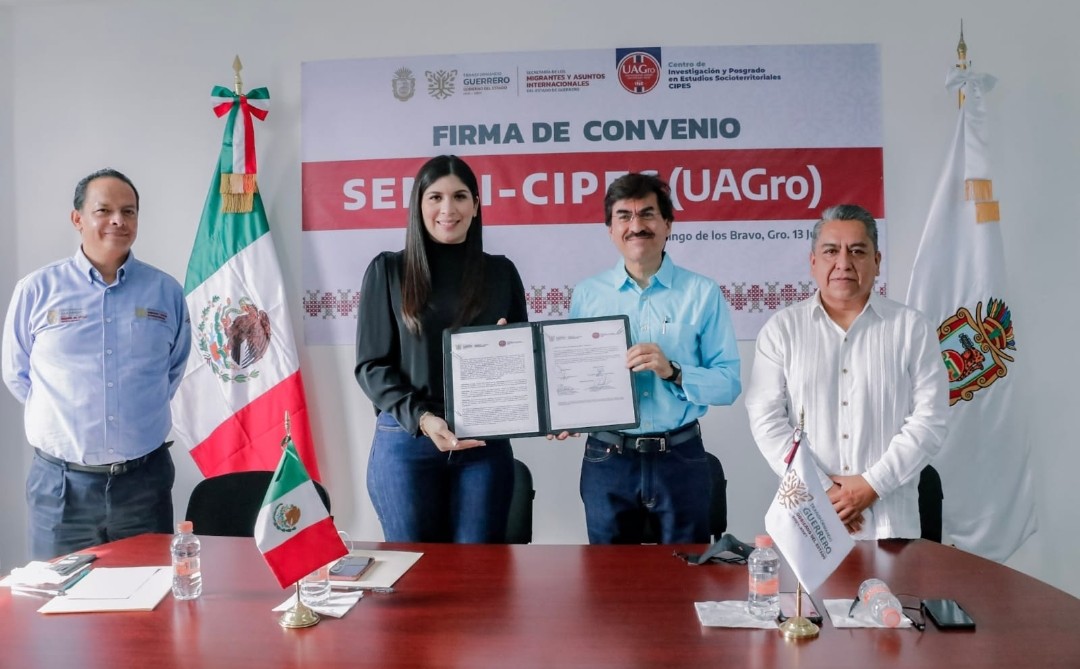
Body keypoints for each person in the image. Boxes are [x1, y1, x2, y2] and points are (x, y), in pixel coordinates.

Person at [2, 168, 191, 560]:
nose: (118, 220)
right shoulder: (37, 290)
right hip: (62, 489)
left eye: (129, 211)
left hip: (144, 486)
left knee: (149, 592)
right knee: (58, 596)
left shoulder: (165, 291)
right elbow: (18, 374)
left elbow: (172, 369)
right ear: (78, 218)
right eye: (104, 210)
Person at [745, 204, 948, 539]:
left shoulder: (912, 328)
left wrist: (872, 485)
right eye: (831, 251)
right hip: (809, 522)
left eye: (857, 251)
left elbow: (931, 419)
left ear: (877, 261)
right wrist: (822, 489)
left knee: (897, 580)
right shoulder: (782, 330)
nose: (843, 263)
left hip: (890, 524)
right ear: (813, 262)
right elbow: (766, 420)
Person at [355, 155, 527, 543]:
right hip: (408, 442)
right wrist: (423, 419)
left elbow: (525, 364)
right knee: (416, 570)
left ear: (476, 205)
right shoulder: (388, 271)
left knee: (479, 568)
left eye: (460, 196)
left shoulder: (501, 273)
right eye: (435, 197)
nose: (448, 209)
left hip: (483, 446)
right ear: (418, 205)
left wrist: (510, 354)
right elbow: (371, 367)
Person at [564, 172, 741, 544]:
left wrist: (674, 371)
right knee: (609, 575)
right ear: (610, 230)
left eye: (647, 214)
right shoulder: (587, 295)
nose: (636, 226)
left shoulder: (702, 293)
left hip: (680, 457)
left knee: (685, 573)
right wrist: (564, 412)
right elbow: (571, 376)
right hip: (607, 458)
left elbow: (728, 384)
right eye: (624, 217)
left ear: (668, 224)